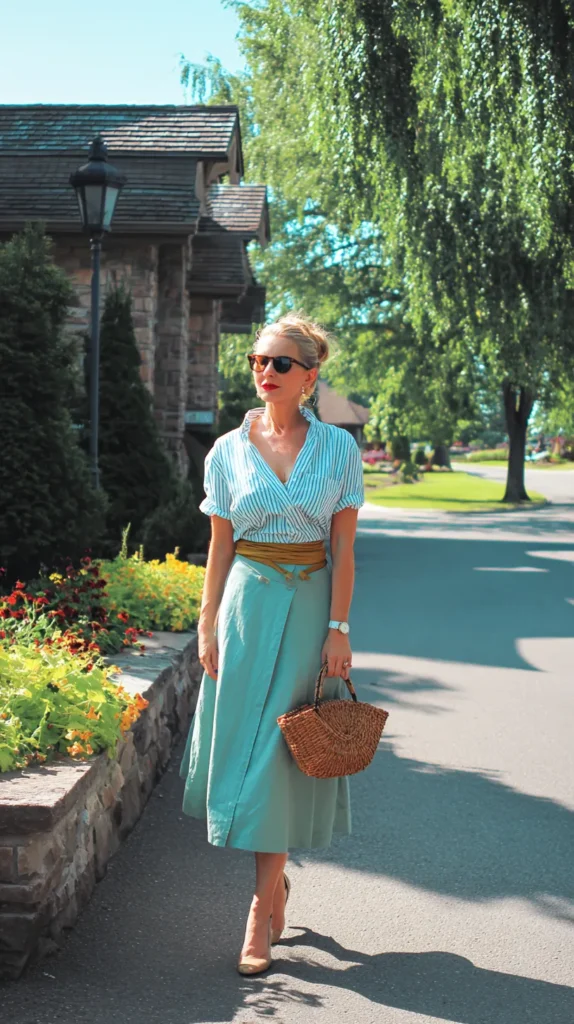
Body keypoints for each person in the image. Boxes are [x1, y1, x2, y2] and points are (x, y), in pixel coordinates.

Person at [179, 312, 365, 975]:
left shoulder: (338, 450)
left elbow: (343, 549)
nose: (265, 371)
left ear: (310, 377)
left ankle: (259, 909)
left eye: (280, 363)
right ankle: (274, 881)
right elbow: (220, 545)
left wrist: (339, 630)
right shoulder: (226, 451)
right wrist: (206, 622)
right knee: (251, 748)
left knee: (285, 751)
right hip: (247, 605)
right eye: (258, 360)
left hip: (312, 600)